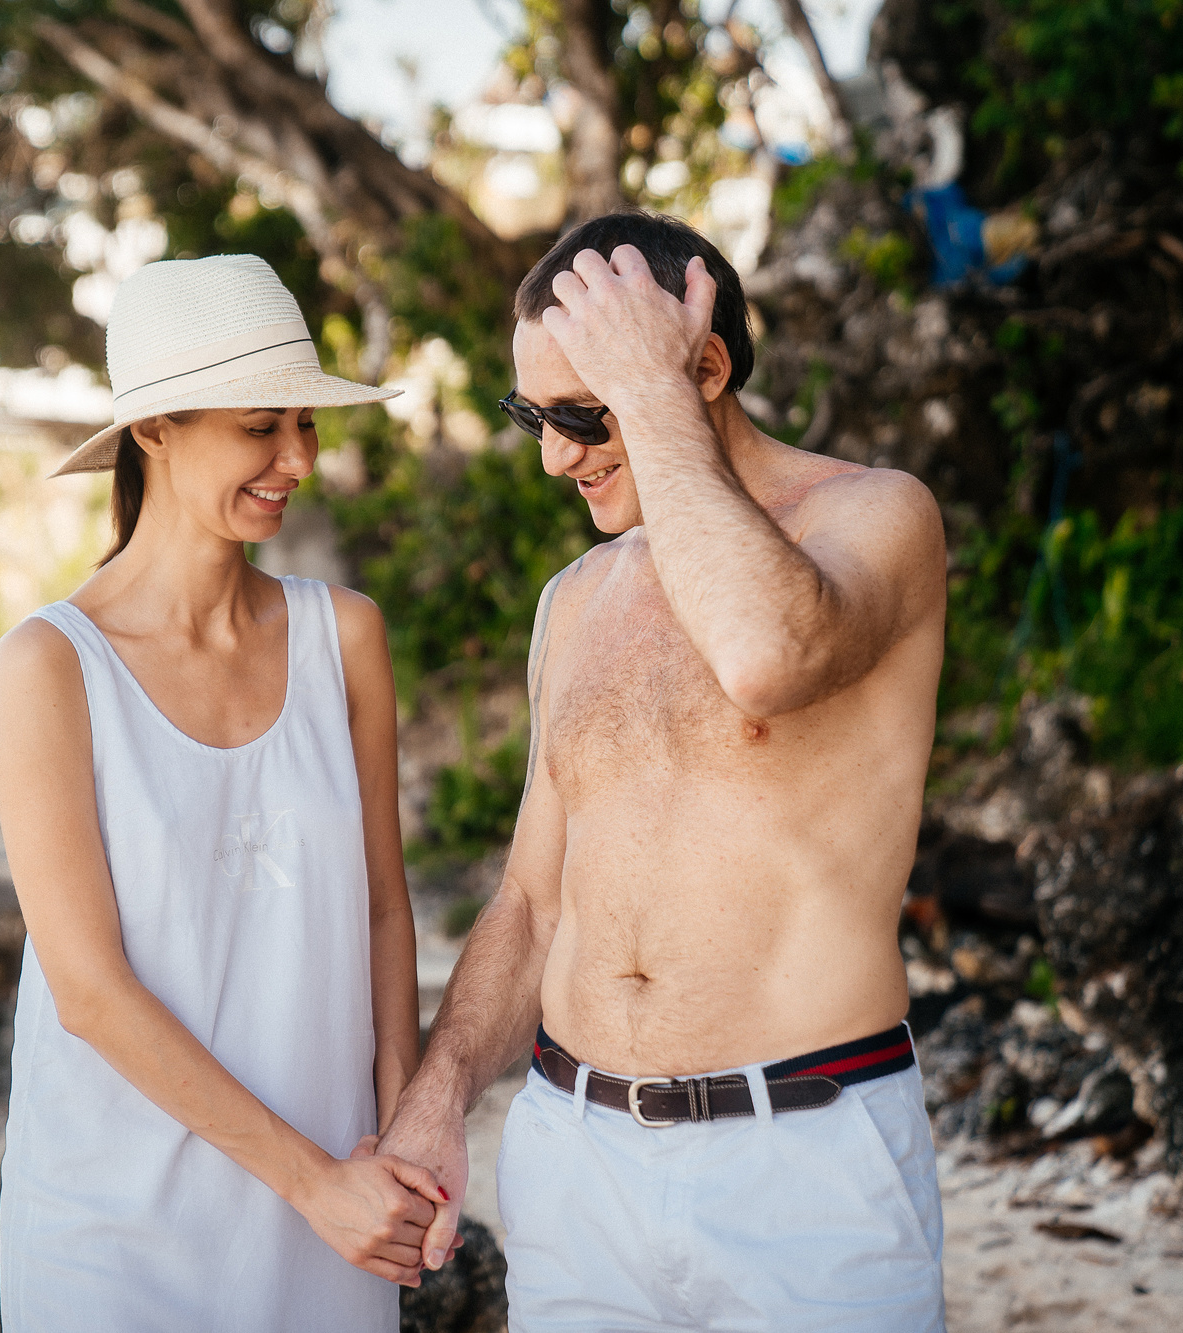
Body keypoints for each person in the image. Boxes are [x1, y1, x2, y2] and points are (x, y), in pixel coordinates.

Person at [380, 213, 950, 1330]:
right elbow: (532, 902)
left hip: (807, 1161)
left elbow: (763, 653)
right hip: (574, 1159)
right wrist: (437, 1098)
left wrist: (650, 394)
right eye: (529, 415)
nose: (552, 454)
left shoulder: (876, 518)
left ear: (702, 367)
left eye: (581, 413)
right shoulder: (574, 599)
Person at [0, 254, 445, 1331]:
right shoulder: (50, 667)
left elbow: (383, 904)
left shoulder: (347, 636)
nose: (297, 459)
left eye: (306, 425)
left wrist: (400, 1136)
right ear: (154, 428)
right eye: (259, 426)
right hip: (113, 1233)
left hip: (338, 1205)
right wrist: (317, 1185)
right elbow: (88, 992)